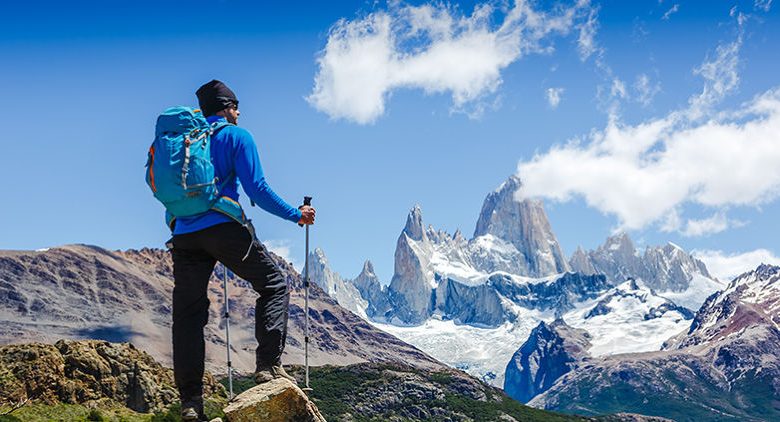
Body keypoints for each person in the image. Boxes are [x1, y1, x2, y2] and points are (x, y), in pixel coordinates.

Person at [169, 79, 315, 421]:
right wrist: (297, 214)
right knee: (274, 284)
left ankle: (191, 403)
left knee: (188, 317)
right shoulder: (236, 136)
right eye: (236, 107)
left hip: (184, 235)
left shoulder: (183, 142)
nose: (238, 113)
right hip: (224, 227)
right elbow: (258, 189)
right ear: (227, 107)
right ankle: (267, 367)